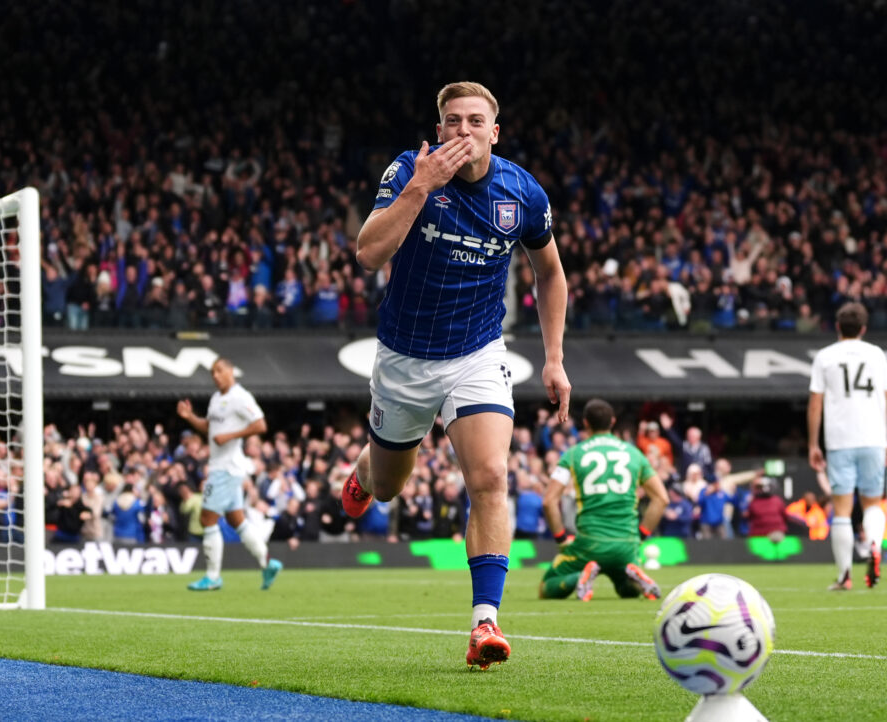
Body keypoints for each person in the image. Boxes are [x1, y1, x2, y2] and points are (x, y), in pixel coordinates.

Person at [338, 81, 571, 670]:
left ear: (495, 131)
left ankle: (484, 623)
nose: (462, 131)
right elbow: (368, 254)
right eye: (451, 122)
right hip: (404, 358)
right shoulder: (407, 172)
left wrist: (553, 358)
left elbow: (550, 273)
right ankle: (368, 466)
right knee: (390, 486)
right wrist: (420, 187)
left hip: (477, 352)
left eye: (474, 121)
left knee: (491, 475)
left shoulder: (522, 193)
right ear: (438, 131)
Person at [539, 399, 668, 603]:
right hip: (626, 544)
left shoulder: (573, 454)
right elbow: (661, 499)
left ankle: (579, 577)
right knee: (626, 590)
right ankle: (634, 577)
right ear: (613, 421)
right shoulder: (635, 454)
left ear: (586, 423)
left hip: (589, 544)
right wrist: (640, 536)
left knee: (547, 586)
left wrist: (561, 538)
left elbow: (549, 501)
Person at [808, 302, 887, 591]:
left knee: (842, 511)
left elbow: (815, 404)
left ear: (837, 327)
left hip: (839, 440)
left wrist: (813, 443)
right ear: (864, 329)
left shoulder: (825, 357)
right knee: (873, 503)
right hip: (873, 439)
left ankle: (845, 576)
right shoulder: (876, 354)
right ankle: (873, 545)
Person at [177, 358, 283, 591]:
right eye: (213, 372)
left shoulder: (240, 396)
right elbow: (209, 427)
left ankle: (213, 576)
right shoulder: (217, 399)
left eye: (219, 371)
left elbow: (260, 424)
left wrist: (231, 436)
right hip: (225, 467)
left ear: (231, 372)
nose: (215, 375)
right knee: (237, 520)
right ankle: (267, 563)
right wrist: (190, 418)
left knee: (207, 518)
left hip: (225, 468)